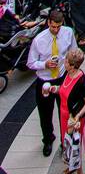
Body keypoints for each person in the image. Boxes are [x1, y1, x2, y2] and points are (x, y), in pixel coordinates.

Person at [27, 9, 76, 155]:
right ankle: (48, 139)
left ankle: (65, 139)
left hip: (62, 78)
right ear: (48, 22)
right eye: (53, 26)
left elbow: (73, 51)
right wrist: (44, 65)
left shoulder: (68, 33)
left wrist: (70, 66)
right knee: (45, 114)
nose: (55, 30)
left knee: (65, 112)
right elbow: (30, 63)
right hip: (45, 81)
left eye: (58, 27)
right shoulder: (39, 40)